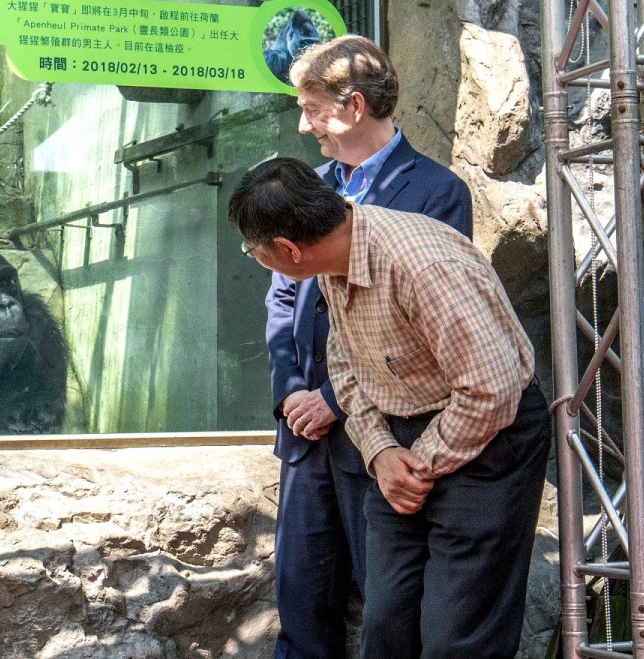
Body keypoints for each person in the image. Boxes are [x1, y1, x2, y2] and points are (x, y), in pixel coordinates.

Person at [234, 157, 549, 659]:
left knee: (457, 636)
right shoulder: (334, 259)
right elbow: (345, 364)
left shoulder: (420, 263)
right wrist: (380, 451)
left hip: (488, 436)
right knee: (386, 622)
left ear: (288, 249)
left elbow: (492, 390)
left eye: (254, 251)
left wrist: (418, 464)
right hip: (396, 441)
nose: (257, 259)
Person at [264, 35, 472, 659]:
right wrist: (292, 393)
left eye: (313, 110)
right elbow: (281, 299)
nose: (304, 126)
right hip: (303, 437)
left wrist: (333, 399)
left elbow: (428, 326)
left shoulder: (437, 191)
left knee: (387, 610)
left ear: (354, 107)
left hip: (381, 435)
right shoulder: (309, 187)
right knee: (299, 605)